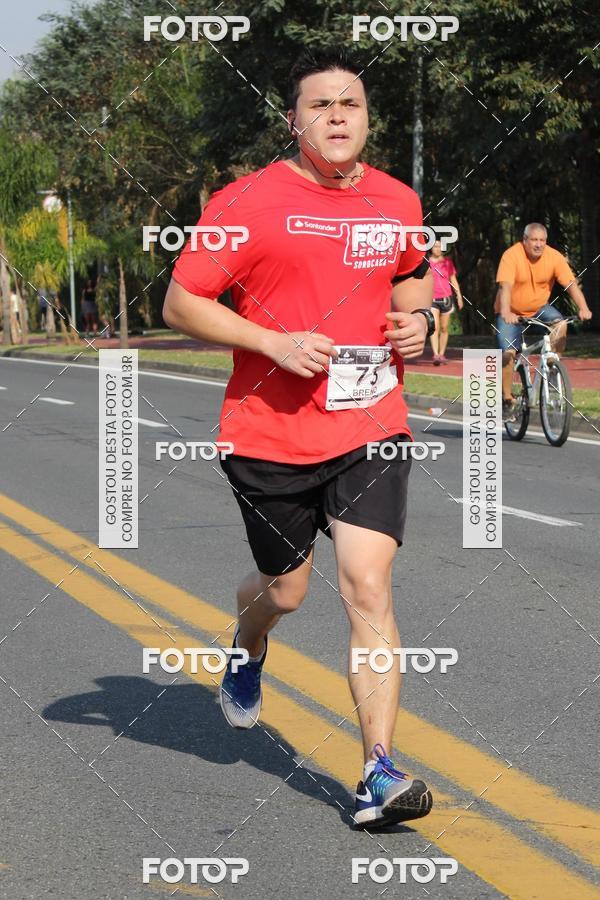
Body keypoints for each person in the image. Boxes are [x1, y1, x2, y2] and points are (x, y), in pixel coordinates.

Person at [163, 47, 435, 829]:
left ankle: (377, 773)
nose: (338, 115)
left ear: (368, 120)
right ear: (295, 120)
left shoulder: (396, 199)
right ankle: (248, 643)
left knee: (368, 586)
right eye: (321, 105)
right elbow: (183, 303)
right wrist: (274, 343)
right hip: (268, 431)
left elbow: (413, 271)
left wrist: (415, 319)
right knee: (287, 589)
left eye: (351, 103)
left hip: (371, 421)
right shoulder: (247, 200)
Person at [495, 223, 592, 419]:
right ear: (525, 240)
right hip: (511, 310)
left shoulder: (554, 257)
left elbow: (571, 285)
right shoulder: (511, 255)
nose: (538, 244)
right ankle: (506, 399)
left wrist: (584, 308)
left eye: (542, 240)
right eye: (534, 240)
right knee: (508, 354)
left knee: (561, 324)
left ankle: (551, 366)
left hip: (538, 307)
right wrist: (506, 312)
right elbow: (505, 287)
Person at [428, 240, 463, 364]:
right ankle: (435, 354)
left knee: (444, 328)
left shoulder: (447, 262)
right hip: (432, 299)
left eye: (439, 247)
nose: (437, 249)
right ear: (431, 248)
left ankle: (442, 353)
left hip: (446, 298)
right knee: (435, 327)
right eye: (434, 247)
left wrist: (459, 296)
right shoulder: (427, 263)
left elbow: (453, 280)